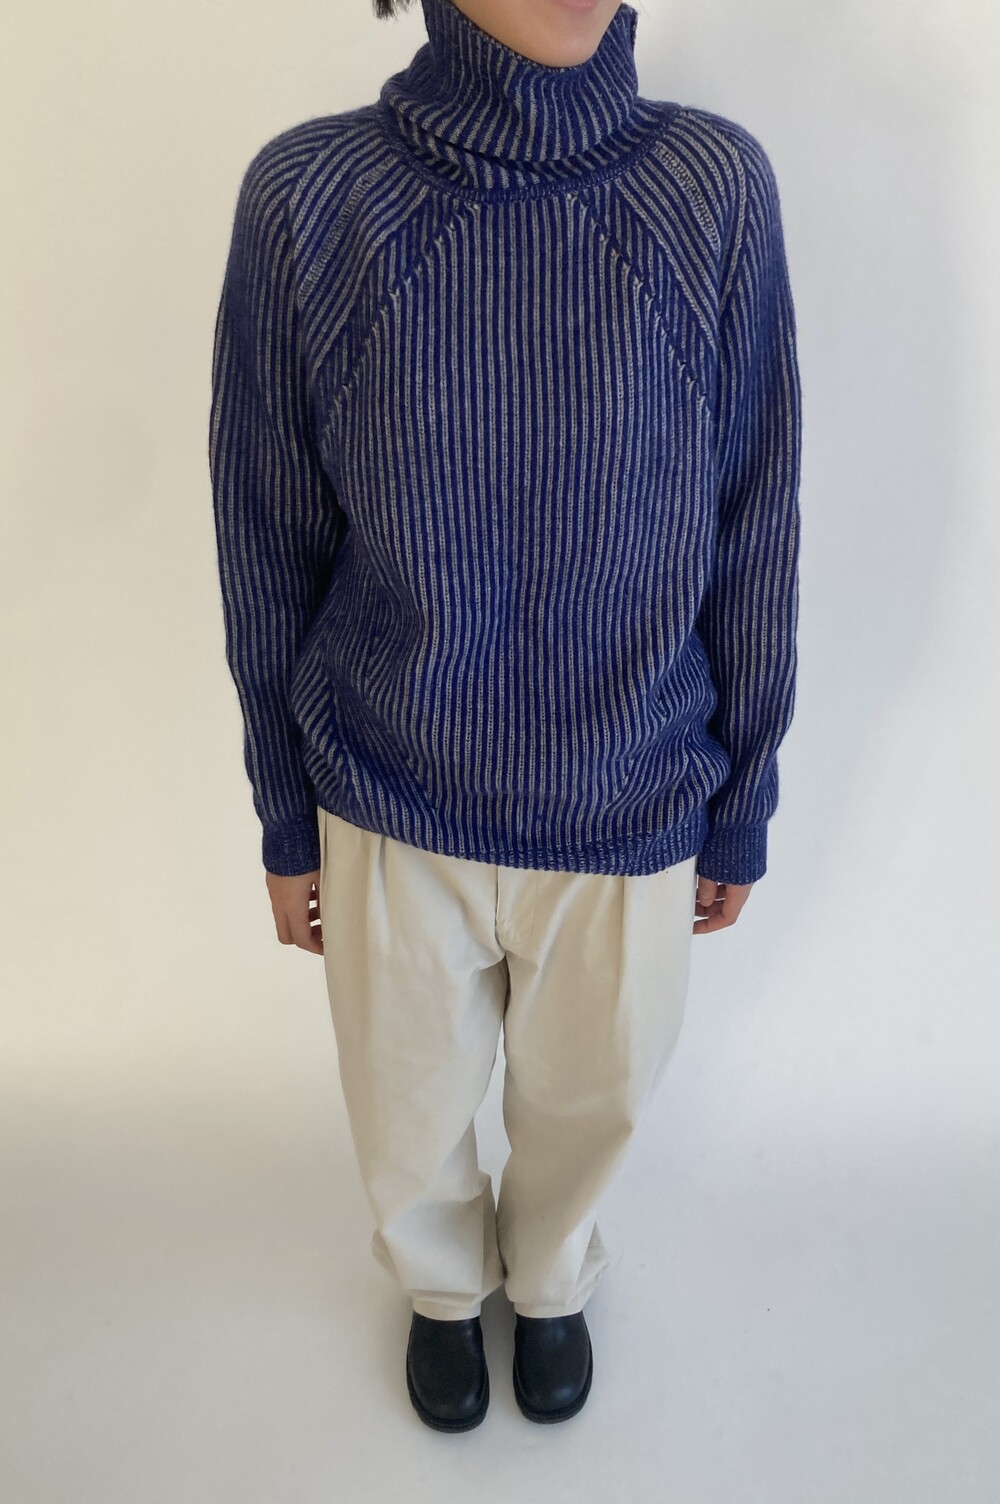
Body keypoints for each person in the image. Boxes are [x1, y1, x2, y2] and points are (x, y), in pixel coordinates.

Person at [208, 0, 801, 1433]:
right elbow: (267, 531)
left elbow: (757, 509)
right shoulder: (311, 199)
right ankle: (436, 1291)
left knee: (596, 1098)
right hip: (389, 790)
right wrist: (284, 813)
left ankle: (548, 1281)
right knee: (405, 1108)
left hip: (630, 788)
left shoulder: (711, 188)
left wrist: (742, 794)